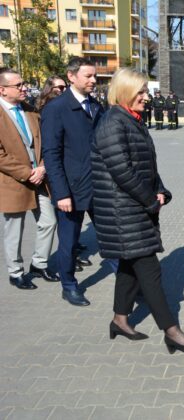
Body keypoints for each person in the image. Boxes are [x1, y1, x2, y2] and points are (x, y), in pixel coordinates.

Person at [91, 68, 184, 353]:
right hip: (122, 211)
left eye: (145, 91)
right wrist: (150, 200)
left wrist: (161, 189)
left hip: (132, 208)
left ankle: (119, 319)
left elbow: (146, 166)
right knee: (150, 271)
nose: (146, 96)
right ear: (125, 92)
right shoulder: (112, 122)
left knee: (129, 266)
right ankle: (172, 331)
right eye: (140, 92)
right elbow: (123, 172)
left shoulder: (131, 119)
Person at [42, 57, 104, 307]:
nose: (93, 80)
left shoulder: (96, 106)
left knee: (111, 237)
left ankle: (129, 281)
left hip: (98, 187)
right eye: (88, 76)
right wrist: (61, 193)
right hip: (72, 190)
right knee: (68, 241)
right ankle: (68, 285)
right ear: (71, 76)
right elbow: (52, 154)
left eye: (94, 76)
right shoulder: (56, 109)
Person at [0, 68, 59, 289]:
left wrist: (42, 168)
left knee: (48, 222)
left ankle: (39, 263)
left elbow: (46, 143)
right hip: (14, 181)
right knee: (14, 229)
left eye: (23, 84)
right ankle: (15, 272)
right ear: (3, 90)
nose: (24, 88)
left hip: (40, 178)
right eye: (19, 85)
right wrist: (27, 173)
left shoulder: (31, 111)